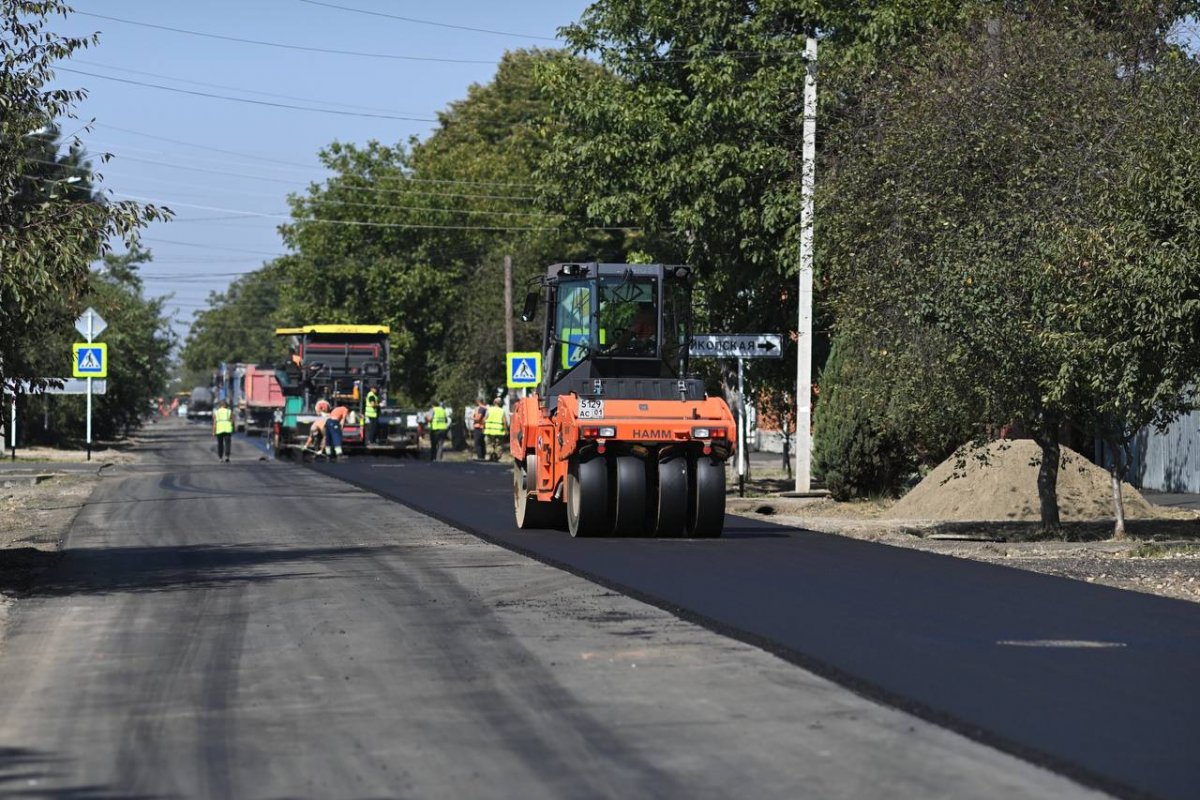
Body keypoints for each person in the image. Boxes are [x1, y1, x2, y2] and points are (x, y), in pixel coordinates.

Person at [483, 396, 508, 462]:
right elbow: (505, 422)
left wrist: (483, 428)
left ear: (494, 402)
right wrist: (506, 430)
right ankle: (497, 457)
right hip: (499, 432)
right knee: (498, 445)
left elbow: (484, 420)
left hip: (489, 431)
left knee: (489, 444)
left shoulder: (489, 409)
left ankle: (489, 456)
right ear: (500, 403)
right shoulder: (502, 411)